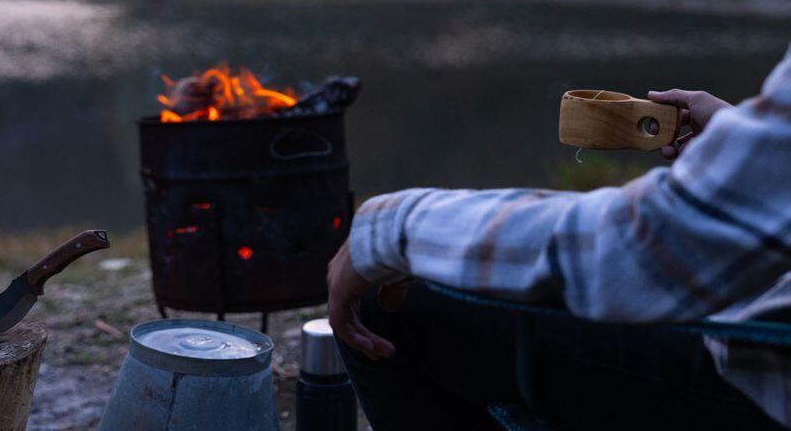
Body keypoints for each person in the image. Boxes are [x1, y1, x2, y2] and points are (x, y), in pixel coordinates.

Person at [327, 44, 791, 430]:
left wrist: (392, 228)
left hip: (762, 383)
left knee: (397, 301)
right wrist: (749, 151)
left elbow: (635, 254)